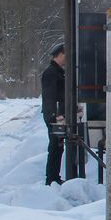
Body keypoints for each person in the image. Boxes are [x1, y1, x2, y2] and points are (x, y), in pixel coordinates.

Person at [41, 44, 66, 185]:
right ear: (60, 55)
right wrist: (54, 115)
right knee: (55, 147)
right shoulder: (52, 73)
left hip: (56, 116)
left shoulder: (56, 72)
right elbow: (49, 96)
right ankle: (51, 179)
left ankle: (54, 177)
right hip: (54, 117)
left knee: (58, 147)